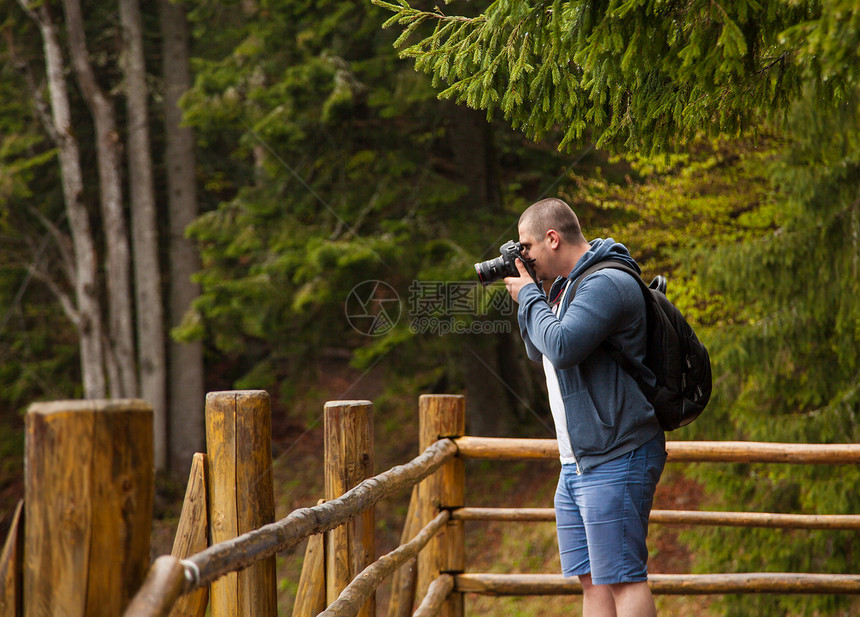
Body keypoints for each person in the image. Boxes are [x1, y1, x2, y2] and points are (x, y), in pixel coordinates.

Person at [504, 197, 666, 617]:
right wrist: (532, 296)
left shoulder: (605, 282)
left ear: (552, 238)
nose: (524, 255)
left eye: (527, 246)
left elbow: (561, 347)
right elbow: (538, 350)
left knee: (624, 580)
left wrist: (529, 298)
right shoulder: (564, 287)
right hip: (577, 460)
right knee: (592, 581)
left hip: (618, 452)